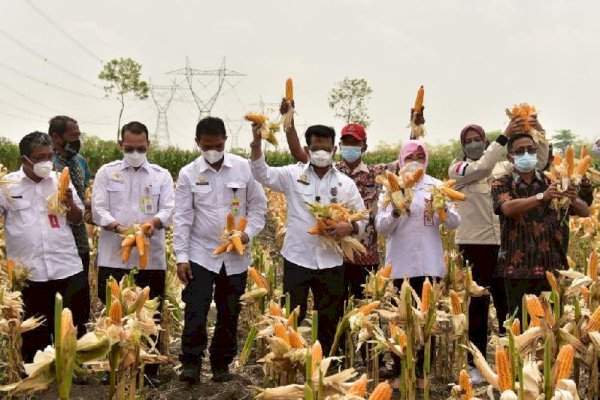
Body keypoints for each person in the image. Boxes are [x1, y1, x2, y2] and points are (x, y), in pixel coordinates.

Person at [250, 122, 366, 357]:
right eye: (315, 149)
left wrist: (349, 226)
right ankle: (289, 362)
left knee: (330, 319)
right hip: (297, 259)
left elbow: (362, 219)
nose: (321, 153)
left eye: (325, 149)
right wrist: (256, 142)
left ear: (334, 150)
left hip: (332, 262)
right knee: (291, 316)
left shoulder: (346, 183)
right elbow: (261, 173)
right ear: (308, 149)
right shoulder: (292, 175)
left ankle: (329, 363)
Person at [174, 117, 267, 384]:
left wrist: (246, 235)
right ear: (197, 144)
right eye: (206, 146)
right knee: (196, 307)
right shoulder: (188, 173)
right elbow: (182, 217)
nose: (212, 150)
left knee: (229, 310)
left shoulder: (243, 168)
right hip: (201, 252)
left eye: (217, 144)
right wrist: (181, 257)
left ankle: (221, 364)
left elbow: (258, 207)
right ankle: (191, 362)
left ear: (226, 139)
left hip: (236, 255)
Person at [92, 121, 175, 379]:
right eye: (130, 148)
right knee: (113, 316)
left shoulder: (161, 175)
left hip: (150, 259)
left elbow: (169, 208)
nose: (135, 153)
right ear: (121, 145)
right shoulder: (107, 173)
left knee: (149, 315)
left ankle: (149, 370)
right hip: (113, 256)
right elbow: (98, 208)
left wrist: (154, 223)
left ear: (148, 145)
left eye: (140, 148)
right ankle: (113, 367)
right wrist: (116, 226)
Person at [376, 139, 461, 388]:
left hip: (429, 265)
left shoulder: (436, 186)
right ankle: (402, 373)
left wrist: (443, 206)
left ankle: (423, 375)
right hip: (399, 266)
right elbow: (381, 227)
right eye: (410, 157)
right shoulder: (390, 188)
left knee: (427, 323)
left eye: (420, 157)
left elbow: (454, 223)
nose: (415, 162)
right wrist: (395, 207)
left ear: (426, 160)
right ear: (401, 159)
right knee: (399, 321)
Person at [282, 105, 383, 300]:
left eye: (355, 143)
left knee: (355, 311)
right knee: (333, 310)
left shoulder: (376, 173)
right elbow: (300, 154)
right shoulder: (326, 169)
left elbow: (409, 162)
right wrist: (288, 121)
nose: (350, 147)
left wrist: (350, 226)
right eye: (346, 142)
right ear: (339, 146)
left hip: (364, 255)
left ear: (364, 146)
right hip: (335, 255)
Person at [1, 132, 87, 362]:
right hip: (29, 272)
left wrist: (69, 204)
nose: (46, 162)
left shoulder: (60, 180)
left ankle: (74, 370)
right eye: (40, 157)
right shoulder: (7, 185)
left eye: (50, 156)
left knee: (72, 327)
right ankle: (38, 375)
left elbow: (78, 218)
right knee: (35, 333)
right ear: (25, 159)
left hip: (66, 266)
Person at [492, 133, 589, 314]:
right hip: (517, 270)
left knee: (552, 328)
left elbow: (584, 211)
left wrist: (573, 198)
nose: (526, 154)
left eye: (530, 149)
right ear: (510, 157)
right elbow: (508, 208)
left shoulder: (552, 180)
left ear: (537, 152)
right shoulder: (502, 183)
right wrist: (542, 197)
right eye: (520, 151)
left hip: (553, 268)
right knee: (521, 328)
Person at [49, 115, 91, 336]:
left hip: (80, 239)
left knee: (80, 299)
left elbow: (84, 194)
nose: (77, 140)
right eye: (72, 136)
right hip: (57, 241)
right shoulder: (46, 165)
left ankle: (79, 347)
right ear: (56, 137)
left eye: (78, 135)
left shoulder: (80, 161)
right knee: (59, 303)